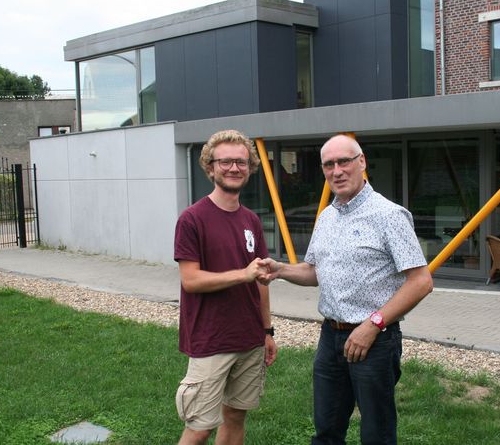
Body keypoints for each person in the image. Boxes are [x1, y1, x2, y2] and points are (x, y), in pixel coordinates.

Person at [260, 134, 433, 445]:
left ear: (362, 162)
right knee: (326, 430)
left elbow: (421, 281)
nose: (336, 170)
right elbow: (314, 271)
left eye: (344, 162)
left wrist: (373, 324)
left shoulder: (389, 215)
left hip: (375, 340)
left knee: (376, 434)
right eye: (329, 164)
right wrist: (281, 269)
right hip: (331, 339)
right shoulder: (326, 216)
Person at [174, 129, 277, 445]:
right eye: (226, 162)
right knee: (200, 427)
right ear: (210, 167)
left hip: (249, 338)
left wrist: (267, 331)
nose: (234, 168)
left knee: (235, 417)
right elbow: (190, 280)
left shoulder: (251, 220)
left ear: (250, 168)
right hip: (210, 339)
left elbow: (260, 281)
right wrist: (241, 275)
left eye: (241, 162)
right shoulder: (192, 219)